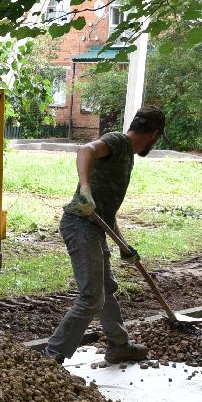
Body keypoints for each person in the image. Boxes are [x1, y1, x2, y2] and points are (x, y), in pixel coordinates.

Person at [43, 105, 168, 365]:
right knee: (92, 297)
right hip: (80, 224)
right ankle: (51, 356)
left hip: (96, 226)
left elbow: (107, 213)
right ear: (154, 134)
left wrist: (123, 245)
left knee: (106, 289)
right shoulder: (118, 141)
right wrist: (84, 189)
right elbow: (85, 150)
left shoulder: (127, 156)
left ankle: (119, 345)